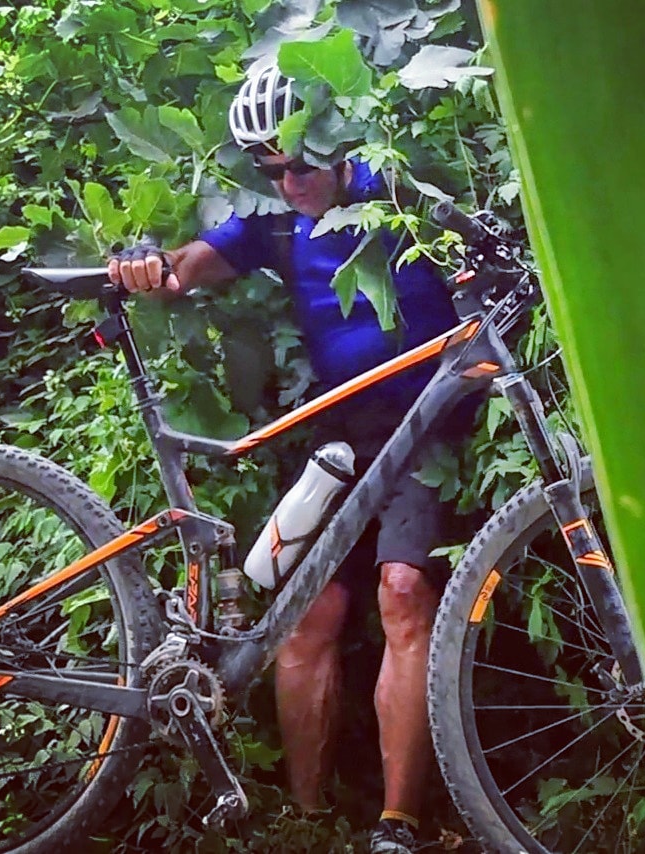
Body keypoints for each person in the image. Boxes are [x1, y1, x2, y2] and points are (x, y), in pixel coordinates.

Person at [108, 65, 467, 854]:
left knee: (404, 593)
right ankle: (305, 821)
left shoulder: (397, 190)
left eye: (300, 162)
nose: (288, 180)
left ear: (336, 143)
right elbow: (184, 269)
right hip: (339, 430)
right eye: (268, 169)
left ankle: (397, 827)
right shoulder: (272, 222)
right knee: (307, 612)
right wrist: (144, 267)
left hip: (431, 420)